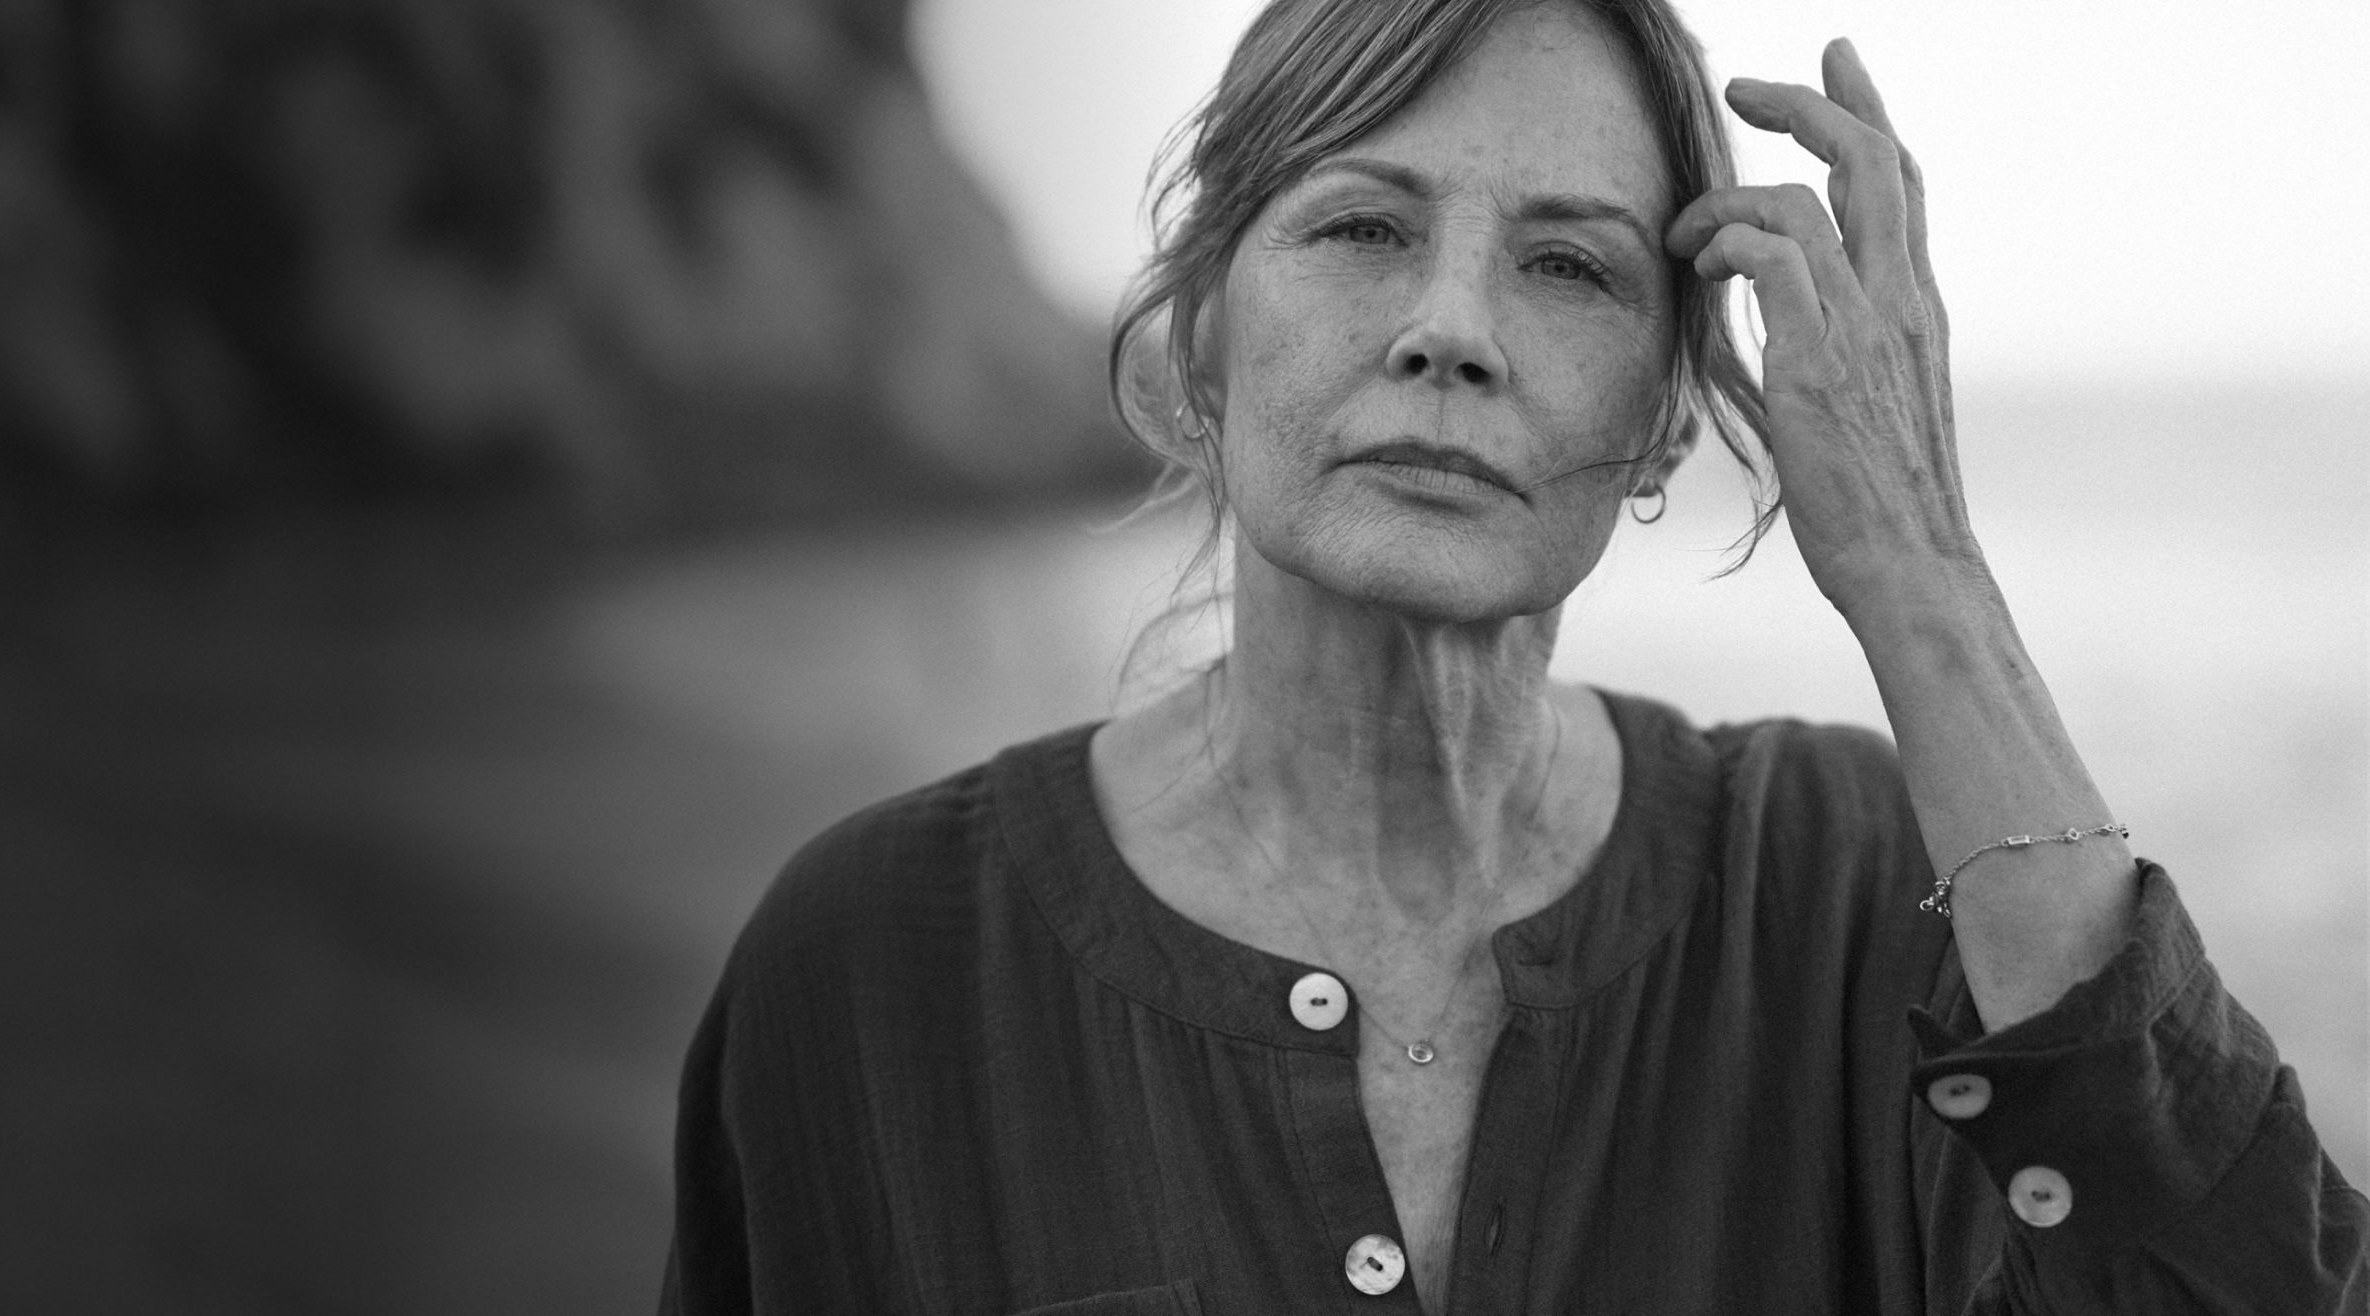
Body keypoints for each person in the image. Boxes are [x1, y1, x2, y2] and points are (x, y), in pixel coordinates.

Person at [659, 0, 2367, 1310]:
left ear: (1660, 428)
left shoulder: (1861, 888)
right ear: (1199, 335)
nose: (1453, 330)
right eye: (1359, 228)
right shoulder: (867, 968)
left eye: (1567, 266)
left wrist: (1923, 579)